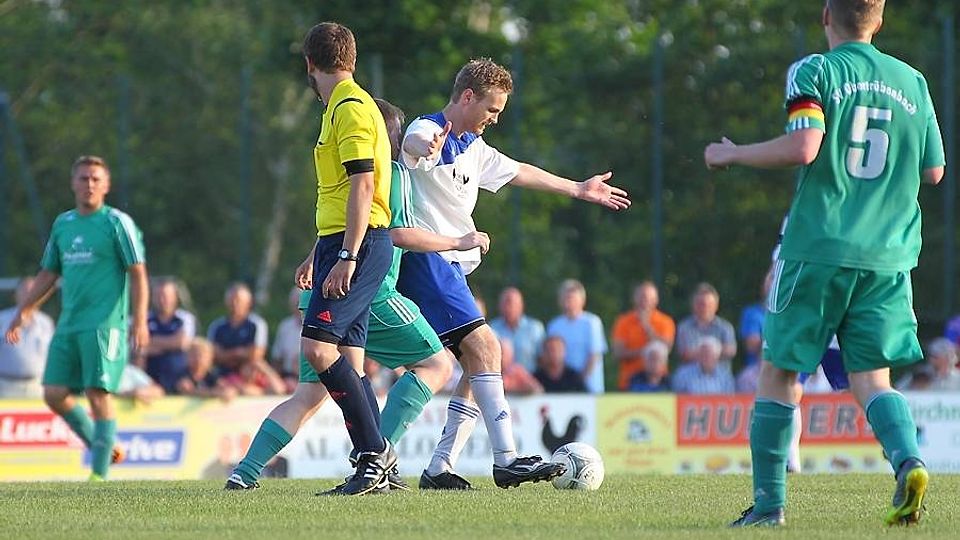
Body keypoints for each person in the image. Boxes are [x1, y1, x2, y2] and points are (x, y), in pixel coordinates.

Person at [704, 0, 944, 526]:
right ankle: (909, 461)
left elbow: (805, 145)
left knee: (779, 373)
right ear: (879, 20)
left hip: (819, 248)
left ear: (825, 15)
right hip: (888, 256)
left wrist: (733, 153)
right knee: (873, 379)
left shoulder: (814, 70)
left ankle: (769, 506)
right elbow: (934, 171)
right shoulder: (913, 81)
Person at [398, 57, 628, 489]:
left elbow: (520, 170)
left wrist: (578, 188)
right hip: (426, 262)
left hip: (449, 268)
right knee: (488, 347)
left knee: (477, 364)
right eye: (491, 109)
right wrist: (421, 147)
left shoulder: (474, 146)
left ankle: (439, 467)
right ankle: (506, 460)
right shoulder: (432, 130)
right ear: (467, 97)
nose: (495, 119)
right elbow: (414, 139)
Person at [225, 94, 464, 494]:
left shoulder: (351, 174)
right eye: (399, 134)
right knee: (436, 365)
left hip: (325, 286)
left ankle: (244, 473)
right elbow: (396, 234)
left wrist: (311, 259)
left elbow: (339, 225)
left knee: (310, 393)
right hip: (370, 292)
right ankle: (378, 458)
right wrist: (458, 241)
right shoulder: (391, 174)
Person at [4, 155, 149, 481]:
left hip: (104, 325)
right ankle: (103, 445)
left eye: (96, 179)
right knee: (53, 393)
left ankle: (99, 476)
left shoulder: (117, 222)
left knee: (97, 394)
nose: (89, 184)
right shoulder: (63, 224)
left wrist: (139, 320)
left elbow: (138, 273)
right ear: (73, 183)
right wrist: (24, 310)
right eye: (83, 178)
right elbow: (48, 274)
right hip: (69, 323)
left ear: (106, 185)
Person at [207, 283, 284, 396]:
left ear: (248, 302)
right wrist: (240, 353)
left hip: (251, 374)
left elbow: (256, 354)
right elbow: (213, 355)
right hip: (222, 376)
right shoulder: (217, 326)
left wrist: (227, 354)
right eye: (231, 300)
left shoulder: (256, 324)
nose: (234, 303)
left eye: (238, 300)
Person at [546, 279, 608, 394]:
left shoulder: (592, 323)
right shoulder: (554, 325)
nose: (567, 301)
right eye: (564, 297)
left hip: (590, 388)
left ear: (582, 300)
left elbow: (595, 355)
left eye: (571, 298)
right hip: (561, 388)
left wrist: (579, 383)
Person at [611, 281, 675, 391]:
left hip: (659, 384)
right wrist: (645, 352)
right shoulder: (623, 322)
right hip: (629, 384)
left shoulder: (665, 321)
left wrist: (647, 327)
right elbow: (618, 353)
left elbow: (667, 348)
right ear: (634, 299)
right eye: (641, 297)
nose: (644, 301)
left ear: (656, 300)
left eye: (648, 298)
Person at [0, 278, 54, 398]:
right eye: (25, 291)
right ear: (16, 295)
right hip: (5, 387)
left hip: (37, 387)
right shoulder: (2, 319)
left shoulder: (46, 322)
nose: (29, 295)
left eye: (33, 291)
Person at [141, 278, 196, 395]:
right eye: (158, 296)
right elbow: (138, 345)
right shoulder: (143, 319)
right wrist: (170, 344)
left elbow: (182, 343)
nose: (162, 300)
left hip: (179, 379)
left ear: (175, 297)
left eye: (166, 296)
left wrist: (151, 343)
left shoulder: (185, 318)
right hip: (149, 380)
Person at [675, 283, 736, 366]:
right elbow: (684, 354)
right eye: (701, 304)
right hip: (690, 372)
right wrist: (713, 352)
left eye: (709, 305)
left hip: (719, 372)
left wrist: (699, 353)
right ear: (693, 305)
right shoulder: (684, 327)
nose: (705, 308)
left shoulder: (725, 327)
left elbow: (730, 351)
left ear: (716, 306)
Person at [489, 286, 546, 373]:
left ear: (521, 305)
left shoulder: (535, 328)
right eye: (504, 303)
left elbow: (542, 359)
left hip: (529, 378)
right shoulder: (492, 328)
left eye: (510, 303)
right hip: (501, 377)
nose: (507, 307)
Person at [671, 337, 735, 395]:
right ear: (698, 354)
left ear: (717, 357)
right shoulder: (682, 374)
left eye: (710, 355)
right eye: (703, 354)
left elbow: (730, 400)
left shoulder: (725, 376)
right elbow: (675, 398)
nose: (706, 358)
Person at [271, 287, 305, 392]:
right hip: (288, 377)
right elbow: (277, 359)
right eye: (295, 304)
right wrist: (277, 380)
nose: (298, 307)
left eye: (300, 303)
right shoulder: (285, 327)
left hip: (311, 378)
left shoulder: (318, 325)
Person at [896, 338, 960, 391]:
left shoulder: (957, 377)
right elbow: (899, 388)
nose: (931, 359)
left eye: (936, 356)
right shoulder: (920, 373)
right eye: (931, 355)